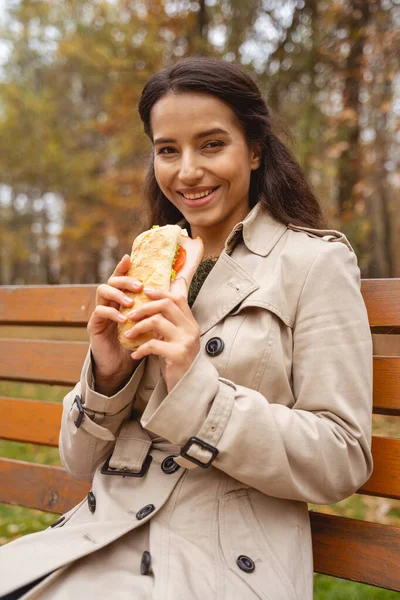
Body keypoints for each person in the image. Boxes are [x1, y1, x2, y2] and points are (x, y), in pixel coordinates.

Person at [0, 56, 373, 600]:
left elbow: (342, 456)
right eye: (167, 150)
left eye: (212, 144)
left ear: (255, 149)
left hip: (220, 559)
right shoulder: (149, 261)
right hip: (103, 538)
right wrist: (108, 371)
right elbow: (78, 462)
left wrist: (195, 384)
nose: (187, 171)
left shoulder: (313, 262)